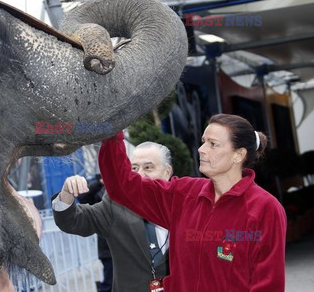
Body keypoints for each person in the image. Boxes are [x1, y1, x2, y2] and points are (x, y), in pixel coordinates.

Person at [99, 113, 287, 292]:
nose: (201, 149)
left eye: (213, 144)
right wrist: (113, 131)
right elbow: (122, 186)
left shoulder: (265, 209)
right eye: (203, 142)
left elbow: (268, 284)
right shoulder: (184, 194)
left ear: (238, 155)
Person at [52, 142, 173, 292]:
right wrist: (66, 193)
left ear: (167, 171)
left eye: (148, 167)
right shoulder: (116, 203)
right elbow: (72, 221)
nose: (140, 174)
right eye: (134, 168)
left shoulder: (185, 203)